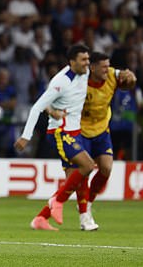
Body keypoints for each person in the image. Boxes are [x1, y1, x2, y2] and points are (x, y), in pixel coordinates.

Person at [14, 44, 93, 231]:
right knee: (88, 165)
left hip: (75, 132)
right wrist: (26, 136)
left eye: (88, 60)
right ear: (72, 62)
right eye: (83, 60)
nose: (87, 63)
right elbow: (37, 106)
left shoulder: (86, 72)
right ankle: (56, 200)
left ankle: (41, 218)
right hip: (60, 132)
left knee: (74, 180)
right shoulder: (60, 82)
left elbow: (51, 105)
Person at [73, 52, 136, 230]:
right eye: (103, 67)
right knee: (85, 170)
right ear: (92, 68)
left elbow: (128, 82)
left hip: (101, 129)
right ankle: (84, 216)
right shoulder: (79, 81)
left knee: (106, 168)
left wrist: (131, 78)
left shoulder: (112, 75)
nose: (107, 70)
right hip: (81, 130)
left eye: (108, 66)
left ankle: (88, 202)